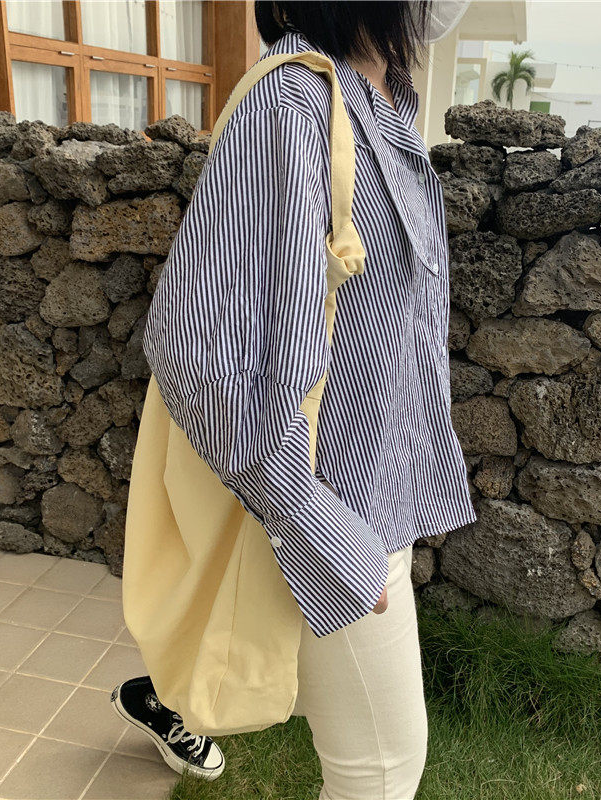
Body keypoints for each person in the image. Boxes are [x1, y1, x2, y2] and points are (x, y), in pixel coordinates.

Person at [111, 1, 476, 797]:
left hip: (371, 497)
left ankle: (168, 702)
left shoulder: (382, 100)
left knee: (365, 751)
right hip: (329, 513)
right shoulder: (292, 106)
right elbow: (200, 353)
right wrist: (319, 528)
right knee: (382, 769)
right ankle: (172, 699)